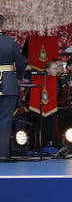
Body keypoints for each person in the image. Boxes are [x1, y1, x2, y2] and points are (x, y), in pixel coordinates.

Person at [0, 14, 28, 160]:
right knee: (5, 120)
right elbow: (21, 63)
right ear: (2, 26)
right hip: (8, 84)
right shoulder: (9, 42)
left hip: (6, 84)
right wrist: (19, 75)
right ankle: (3, 154)